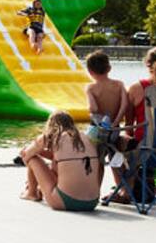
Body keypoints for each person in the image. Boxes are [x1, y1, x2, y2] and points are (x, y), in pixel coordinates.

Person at [18, 110, 103, 212]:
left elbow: (26, 155)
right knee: (59, 163)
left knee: (33, 159)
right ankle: (38, 190)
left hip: (65, 201)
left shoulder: (50, 137)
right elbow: (61, 158)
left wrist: (29, 153)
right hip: (91, 203)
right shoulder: (86, 138)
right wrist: (41, 152)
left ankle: (31, 193)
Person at [83, 50, 130, 200]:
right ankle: (123, 190)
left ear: (90, 71)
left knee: (98, 161)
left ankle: (95, 192)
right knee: (116, 157)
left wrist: (91, 112)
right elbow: (124, 105)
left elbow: (93, 108)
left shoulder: (90, 88)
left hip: (98, 131)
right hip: (115, 130)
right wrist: (116, 122)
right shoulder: (119, 85)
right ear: (109, 68)